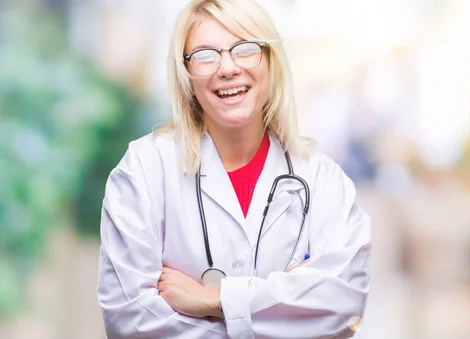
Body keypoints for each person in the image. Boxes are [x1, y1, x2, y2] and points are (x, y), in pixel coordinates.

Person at [96, 0, 372, 338]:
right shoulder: (144, 170)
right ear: (186, 75)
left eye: (244, 49)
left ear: (271, 62)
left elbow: (341, 307)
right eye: (205, 55)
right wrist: (284, 307)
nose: (227, 68)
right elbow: (130, 321)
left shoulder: (322, 179)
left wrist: (214, 300)